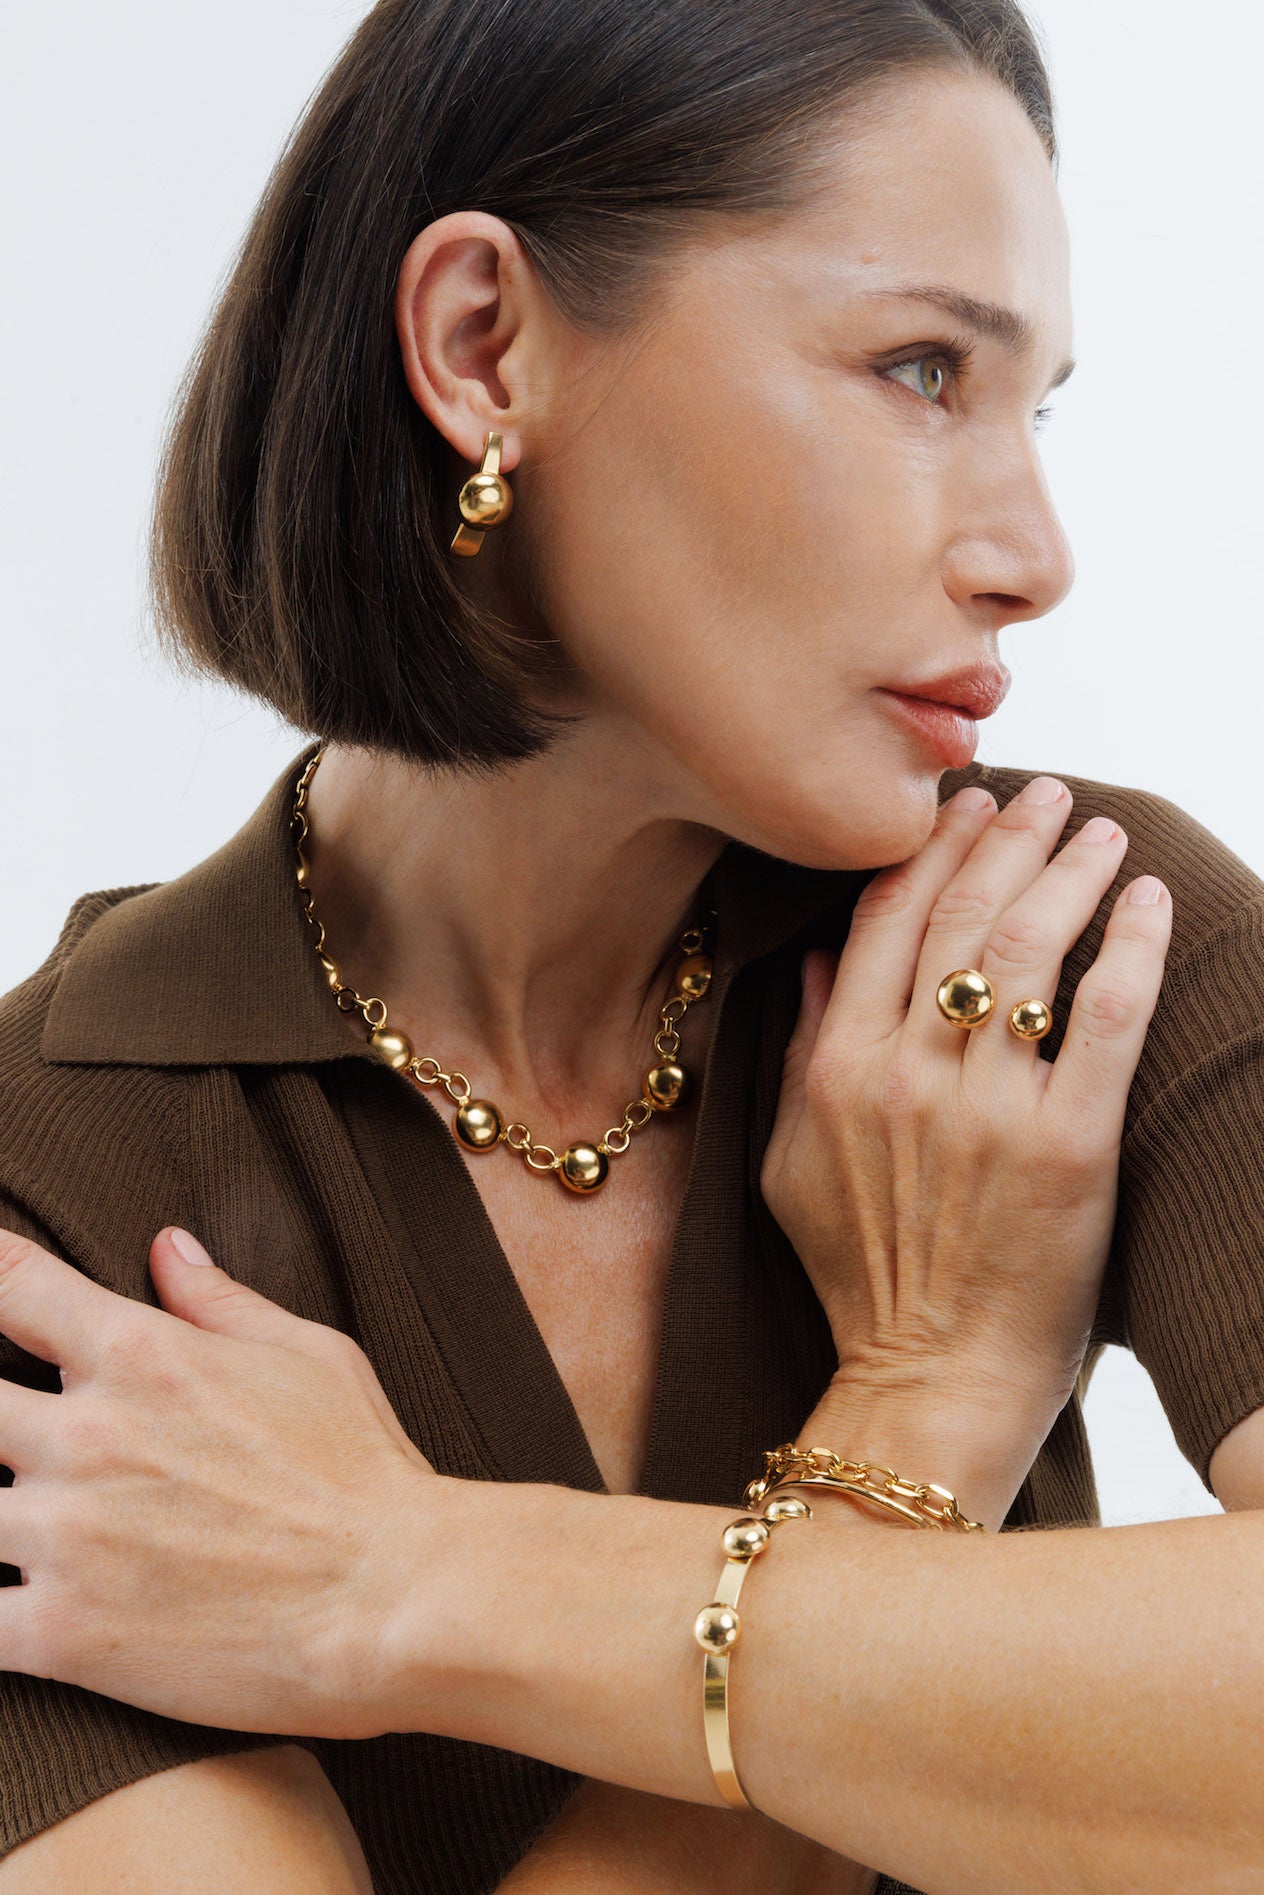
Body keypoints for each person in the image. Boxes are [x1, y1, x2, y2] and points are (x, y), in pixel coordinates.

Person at [1, 1, 1262, 1890]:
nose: (1036, 547)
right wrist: (921, 1409)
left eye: (1037, 404)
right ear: (481, 346)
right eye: (922, 368)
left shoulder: (1057, 941)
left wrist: (407, 1572)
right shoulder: (53, 1193)